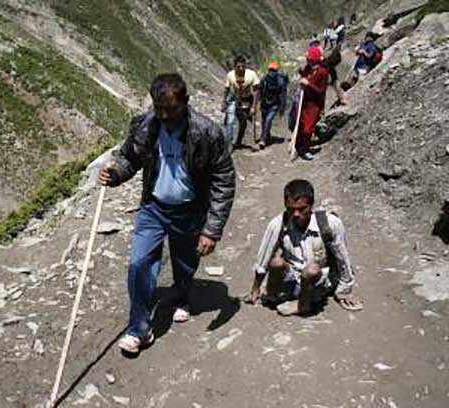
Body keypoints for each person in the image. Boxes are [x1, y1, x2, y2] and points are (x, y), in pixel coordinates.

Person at [100, 73, 236, 354]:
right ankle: (139, 329)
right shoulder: (145, 126)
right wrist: (115, 175)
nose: (165, 115)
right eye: (159, 109)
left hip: (190, 209)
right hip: (153, 207)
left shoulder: (207, 132)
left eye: (171, 109)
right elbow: (130, 158)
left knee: (185, 262)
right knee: (139, 264)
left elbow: (224, 178)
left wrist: (212, 229)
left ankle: (183, 295)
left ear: (186, 102)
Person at [244, 179, 362, 316]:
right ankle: (277, 295)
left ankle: (303, 305)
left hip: (316, 282)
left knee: (311, 270)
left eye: (301, 209)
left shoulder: (330, 224)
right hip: (291, 277)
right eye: (291, 209)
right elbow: (263, 260)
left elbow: (342, 259)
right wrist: (255, 290)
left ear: (311, 205)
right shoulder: (278, 224)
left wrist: (344, 291)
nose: (296, 214)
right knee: (276, 262)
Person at [296, 47, 329, 160]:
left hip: (314, 105)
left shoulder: (322, 72)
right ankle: (299, 145)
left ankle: (305, 148)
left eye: (310, 59)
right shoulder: (308, 68)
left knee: (308, 128)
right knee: (300, 124)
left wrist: (308, 84)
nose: (308, 61)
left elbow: (321, 91)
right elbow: (305, 77)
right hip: (304, 101)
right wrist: (302, 74)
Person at [221, 56, 260, 151]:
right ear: (234, 67)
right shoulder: (230, 75)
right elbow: (226, 88)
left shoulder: (251, 74)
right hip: (235, 99)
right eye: (238, 67)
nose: (241, 69)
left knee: (246, 122)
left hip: (248, 100)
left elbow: (255, 91)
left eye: (243, 66)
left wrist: (254, 106)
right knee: (229, 121)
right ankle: (229, 144)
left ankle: (250, 141)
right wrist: (224, 101)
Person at [257, 61, 287, 149]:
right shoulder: (264, 79)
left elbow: (283, 95)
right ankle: (267, 135)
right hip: (265, 104)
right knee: (264, 121)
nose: (272, 72)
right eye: (271, 70)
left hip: (274, 105)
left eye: (273, 70)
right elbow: (259, 91)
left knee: (268, 120)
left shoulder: (280, 81)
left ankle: (263, 139)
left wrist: (282, 107)